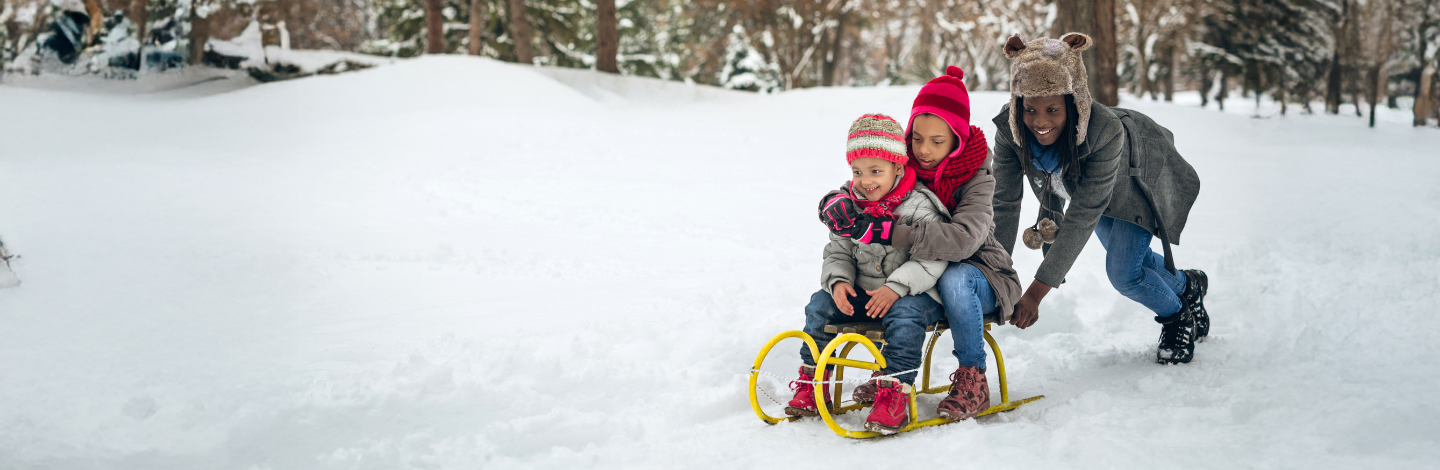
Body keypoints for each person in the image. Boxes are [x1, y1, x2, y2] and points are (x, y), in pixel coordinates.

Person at [990, 33, 1209, 364]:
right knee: (1130, 259)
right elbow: (1004, 204)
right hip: (1087, 188)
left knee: (1124, 272)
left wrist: (1034, 294)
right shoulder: (1012, 130)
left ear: (1073, 102)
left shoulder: (1104, 132)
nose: (1040, 121)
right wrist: (994, 276)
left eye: (1052, 109)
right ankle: (1187, 285)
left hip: (1133, 182)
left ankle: (1178, 316)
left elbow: (1081, 218)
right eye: (1030, 109)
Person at [818, 66, 1023, 420]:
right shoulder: (904, 163)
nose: (924, 150)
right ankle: (889, 373)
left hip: (979, 275)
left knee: (953, 277)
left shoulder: (977, 178)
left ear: (956, 139)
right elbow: (869, 174)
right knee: (897, 288)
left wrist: (886, 230)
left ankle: (973, 377)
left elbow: (962, 241)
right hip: (918, 275)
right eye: (916, 138)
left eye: (937, 142)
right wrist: (833, 201)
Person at [786, 114, 949, 434]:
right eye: (858, 171)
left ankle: (894, 392)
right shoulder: (849, 205)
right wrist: (839, 282)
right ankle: (813, 380)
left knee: (905, 315)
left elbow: (932, 259)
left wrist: (897, 286)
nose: (866, 180)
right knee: (819, 304)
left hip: (914, 295)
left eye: (876, 171)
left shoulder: (920, 206)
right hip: (863, 293)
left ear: (897, 168)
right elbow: (838, 251)